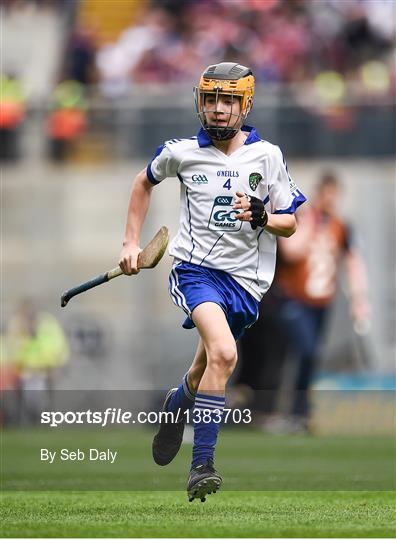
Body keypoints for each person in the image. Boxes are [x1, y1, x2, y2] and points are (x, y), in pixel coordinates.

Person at [119, 62, 306, 502]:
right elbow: (142, 182)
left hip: (246, 284)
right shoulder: (181, 151)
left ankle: (176, 404)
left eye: (228, 101)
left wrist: (263, 216)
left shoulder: (268, 156)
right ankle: (201, 463)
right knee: (225, 352)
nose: (218, 110)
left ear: (245, 105)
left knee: (207, 366)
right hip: (195, 272)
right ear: (200, 102)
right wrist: (130, 241)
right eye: (210, 100)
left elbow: (291, 223)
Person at [238, 172, 370, 433]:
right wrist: (311, 224)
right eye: (326, 194)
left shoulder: (340, 226)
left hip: (322, 303)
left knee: (310, 356)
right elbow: (292, 250)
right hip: (293, 301)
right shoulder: (302, 219)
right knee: (304, 350)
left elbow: (353, 263)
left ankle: (300, 413)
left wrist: (359, 301)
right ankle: (285, 409)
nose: (330, 201)